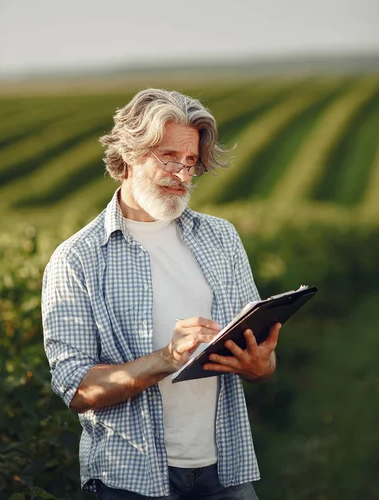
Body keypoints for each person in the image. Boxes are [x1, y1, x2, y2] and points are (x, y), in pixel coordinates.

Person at [42, 88, 281, 500]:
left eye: (190, 162)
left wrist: (258, 365)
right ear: (129, 155)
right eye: (169, 157)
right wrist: (166, 359)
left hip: (226, 471)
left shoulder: (221, 238)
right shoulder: (77, 260)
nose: (183, 174)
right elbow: (77, 389)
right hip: (130, 478)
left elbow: (263, 358)